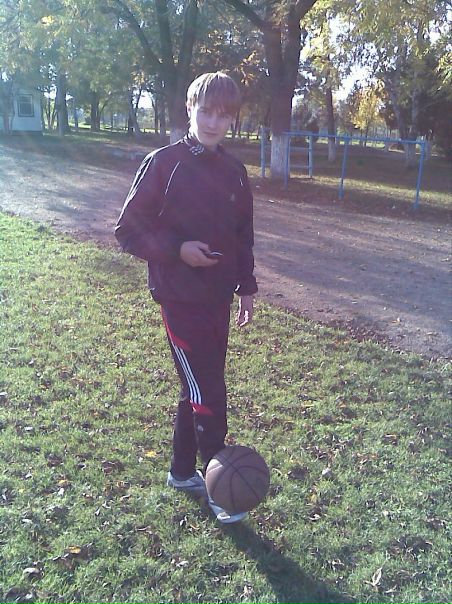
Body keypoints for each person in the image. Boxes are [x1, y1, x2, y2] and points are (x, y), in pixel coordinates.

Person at [115, 72, 258, 523]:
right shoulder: (164, 163)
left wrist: (246, 286)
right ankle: (221, 488)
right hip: (179, 298)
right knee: (208, 391)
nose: (214, 122)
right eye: (206, 111)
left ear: (232, 119)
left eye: (224, 115)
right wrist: (177, 250)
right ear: (190, 109)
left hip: (218, 298)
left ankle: (182, 472)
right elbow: (127, 230)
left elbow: (242, 235)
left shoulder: (235, 172)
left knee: (196, 386)